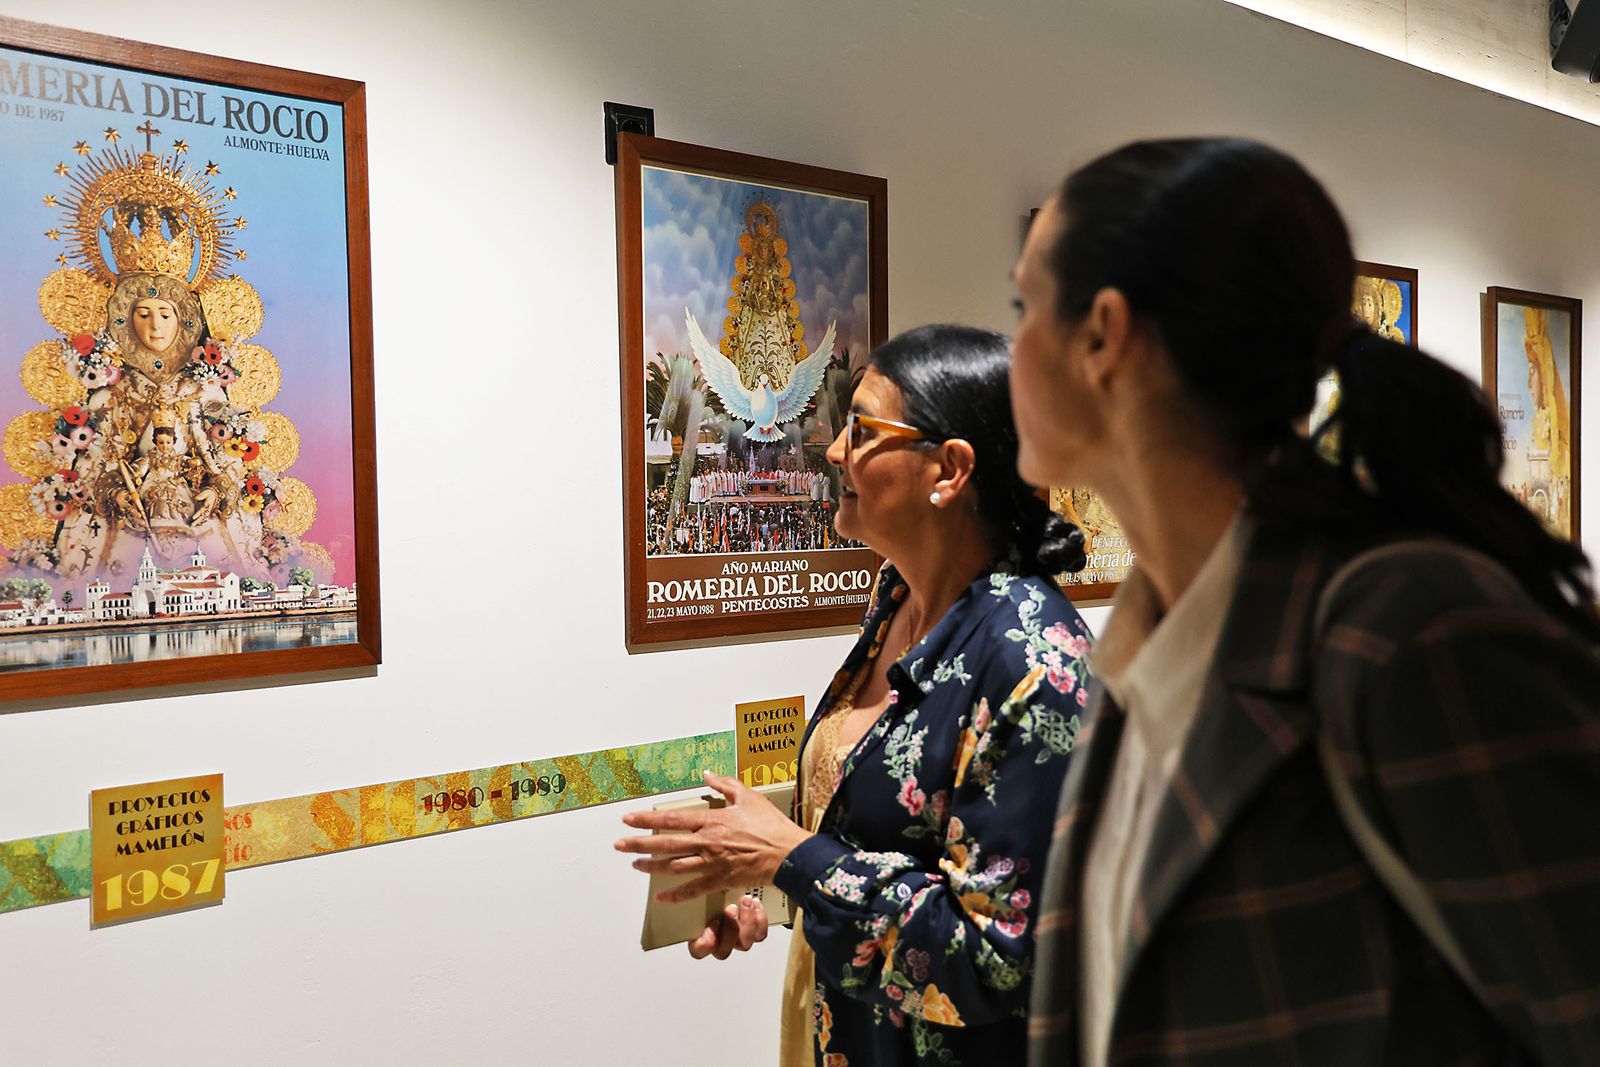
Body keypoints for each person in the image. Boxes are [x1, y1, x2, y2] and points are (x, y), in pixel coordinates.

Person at [1011, 137, 1600, 1066]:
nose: (1011, 349)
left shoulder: (1404, 631)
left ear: (1102, 336)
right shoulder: (1140, 659)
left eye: (1024, 307)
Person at [616, 324, 1095, 1066]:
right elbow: (873, 830)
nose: (834, 450)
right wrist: (764, 883)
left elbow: (995, 962)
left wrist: (794, 858)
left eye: (863, 429)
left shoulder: (1033, 662)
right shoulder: (898, 595)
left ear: (950, 470)